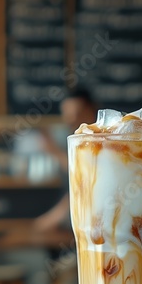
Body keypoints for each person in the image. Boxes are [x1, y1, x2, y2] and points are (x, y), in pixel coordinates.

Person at [33, 88, 98, 233]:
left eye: (76, 113)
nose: (71, 119)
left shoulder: (102, 142)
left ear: (91, 109)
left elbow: (85, 185)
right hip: (75, 221)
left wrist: (53, 218)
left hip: (91, 225)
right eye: (66, 114)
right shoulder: (76, 139)